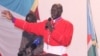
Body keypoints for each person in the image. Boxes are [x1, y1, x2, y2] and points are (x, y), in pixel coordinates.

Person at [2, 3, 73, 56]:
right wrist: (13, 19)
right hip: (45, 54)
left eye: (55, 10)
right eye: (52, 10)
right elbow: (29, 26)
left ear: (60, 12)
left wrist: (52, 31)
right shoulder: (46, 23)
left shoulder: (68, 25)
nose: (53, 12)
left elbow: (66, 42)